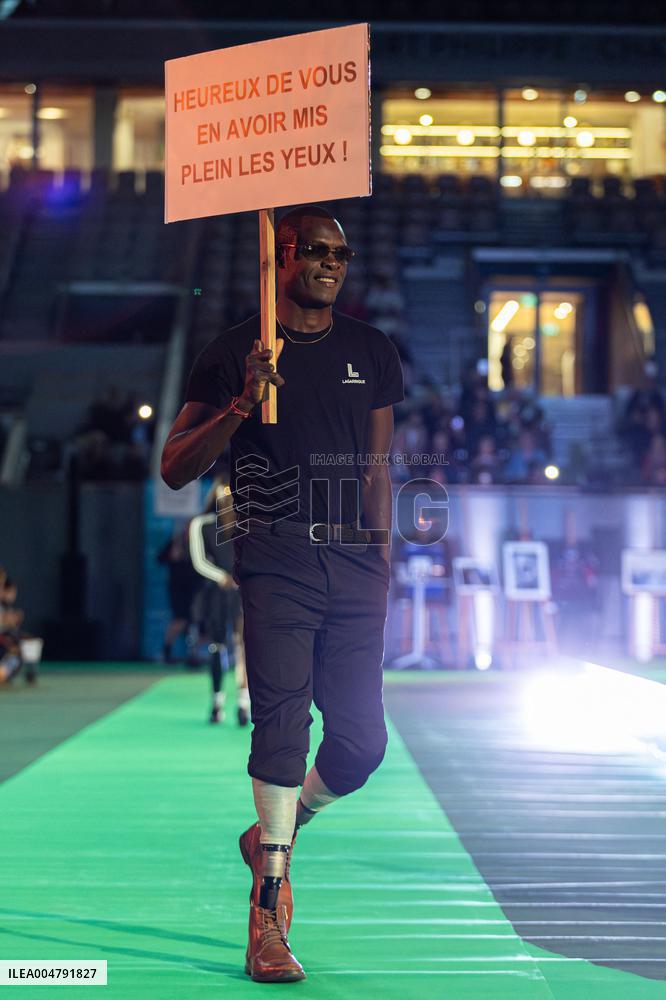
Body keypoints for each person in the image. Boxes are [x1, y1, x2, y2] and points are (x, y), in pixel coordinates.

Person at [161, 205, 404, 983]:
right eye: (318, 250)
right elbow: (174, 466)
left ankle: (279, 827)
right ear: (284, 254)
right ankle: (268, 914)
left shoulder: (372, 350)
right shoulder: (235, 350)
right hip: (275, 554)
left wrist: (384, 564)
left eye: (343, 252)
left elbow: (374, 470)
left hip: (357, 565)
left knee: (362, 743)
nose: (333, 263)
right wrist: (240, 403)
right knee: (281, 726)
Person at [189, 474, 250, 726]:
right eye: (222, 490)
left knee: (244, 648)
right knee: (217, 647)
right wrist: (221, 577)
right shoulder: (201, 524)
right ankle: (216, 702)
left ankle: (243, 704)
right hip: (215, 595)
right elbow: (199, 560)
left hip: (243, 594)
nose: (226, 494)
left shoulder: (247, 524)